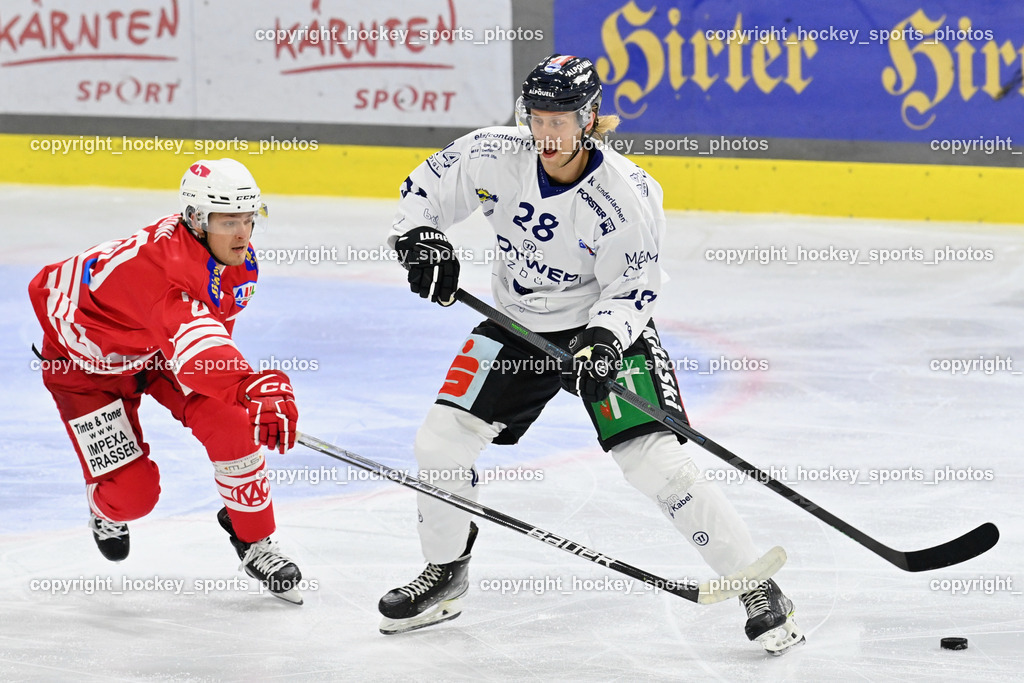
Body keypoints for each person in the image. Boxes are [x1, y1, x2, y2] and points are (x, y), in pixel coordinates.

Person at [377, 54, 804, 654]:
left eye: (561, 120)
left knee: (654, 462)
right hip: (518, 325)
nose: (547, 134)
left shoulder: (626, 194)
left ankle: (759, 587)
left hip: (601, 331)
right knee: (440, 440)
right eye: (538, 118)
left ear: (590, 118)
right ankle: (445, 572)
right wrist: (421, 239)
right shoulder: (492, 153)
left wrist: (603, 343)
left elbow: (635, 287)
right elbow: (421, 191)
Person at [28, 158, 305, 604]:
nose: (241, 233)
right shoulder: (165, 274)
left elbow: (205, 336)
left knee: (233, 422)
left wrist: (238, 393)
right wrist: (248, 384)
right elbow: (198, 347)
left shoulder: (232, 262)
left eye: (249, 218)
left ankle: (253, 538)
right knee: (134, 497)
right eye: (227, 220)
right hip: (86, 367)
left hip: (157, 350)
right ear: (196, 220)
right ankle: (104, 507)